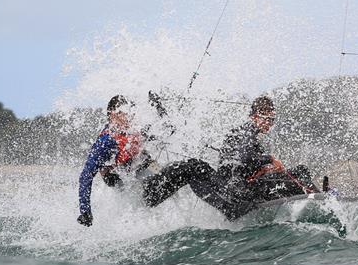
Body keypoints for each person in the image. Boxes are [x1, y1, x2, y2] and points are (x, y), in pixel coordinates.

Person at [141, 95, 317, 220]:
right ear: (256, 116)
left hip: (234, 190)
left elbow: (242, 163)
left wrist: (261, 168)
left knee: (299, 171)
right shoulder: (247, 131)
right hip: (233, 195)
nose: (270, 124)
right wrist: (269, 159)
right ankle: (150, 193)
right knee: (194, 166)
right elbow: (245, 157)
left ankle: (151, 194)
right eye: (269, 119)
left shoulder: (245, 136)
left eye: (273, 120)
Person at [77, 95, 150, 227]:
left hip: (145, 175)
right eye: (123, 113)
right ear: (112, 115)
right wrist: (85, 211)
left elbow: (164, 134)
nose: (129, 116)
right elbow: (85, 176)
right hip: (132, 187)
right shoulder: (106, 141)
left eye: (130, 112)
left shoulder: (132, 131)